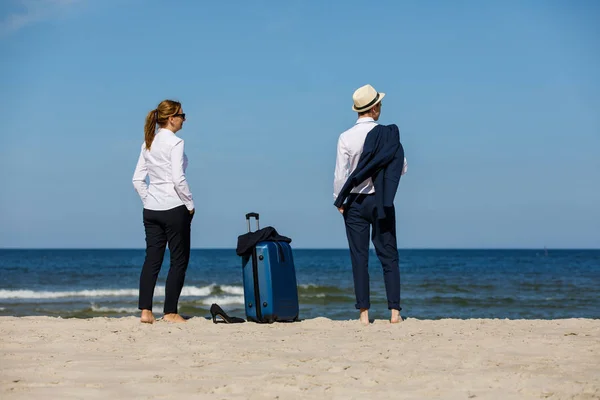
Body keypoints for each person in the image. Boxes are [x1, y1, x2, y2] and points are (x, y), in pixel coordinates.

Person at [333, 84, 407, 325]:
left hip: (354, 201)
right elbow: (402, 168)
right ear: (374, 108)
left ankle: (364, 314)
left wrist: (340, 201)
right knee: (389, 255)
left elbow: (340, 175)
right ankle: (395, 313)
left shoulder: (345, 137)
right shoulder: (388, 136)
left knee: (359, 257)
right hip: (381, 200)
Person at [132, 99, 195, 324]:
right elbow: (178, 179)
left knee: (152, 259)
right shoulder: (176, 142)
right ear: (171, 118)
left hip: (151, 210)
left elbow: (137, 180)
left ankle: (146, 312)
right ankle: (169, 312)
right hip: (174, 207)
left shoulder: (148, 142)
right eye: (181, 114)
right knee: (179, 260)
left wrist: (149, 200)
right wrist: (190, 204)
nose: (184, 119)